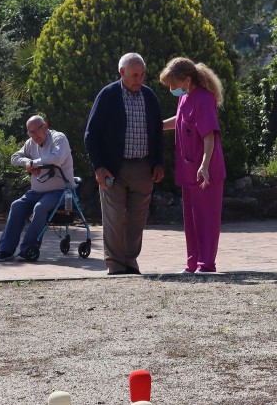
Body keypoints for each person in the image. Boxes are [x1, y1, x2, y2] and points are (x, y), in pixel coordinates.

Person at [84, 52, 164, 275]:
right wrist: (98, 167)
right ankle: (115, 264)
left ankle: (130, 260)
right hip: (113, 169)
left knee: (137, 219)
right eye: (135, 75)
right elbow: (91, 134)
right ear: (122, 73)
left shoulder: (149, 96)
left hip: (142, 167)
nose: (139, 79)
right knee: (114, 217)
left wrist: (158, 162)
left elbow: (157, 132)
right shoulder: (108, 95)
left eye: (142, 75)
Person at [159, 57, 227, 273]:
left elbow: (209, 136)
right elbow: (179, 120)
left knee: (206, 218)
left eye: (173, 84)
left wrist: (205, 165)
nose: (171, 89)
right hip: (189, 170)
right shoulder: (185, 97)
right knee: (191, 219)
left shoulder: (205, 99)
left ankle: (206, 264)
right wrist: (155, 126)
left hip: (205, 171)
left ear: (187, 80)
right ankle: (192, 262)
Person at [0, 115, 75, 262]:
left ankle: (28, 249)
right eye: (29, 132)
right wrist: (27, 162)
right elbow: (14, 158)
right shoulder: (31, 143)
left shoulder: (59, 138)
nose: (33, 136)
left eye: (35, 131)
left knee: (40, 208)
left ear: (45, 127)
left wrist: (34, 163)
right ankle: (5, 250)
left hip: (60, 191)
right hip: (36, 191)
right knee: (16, 205)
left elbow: (56, 159)